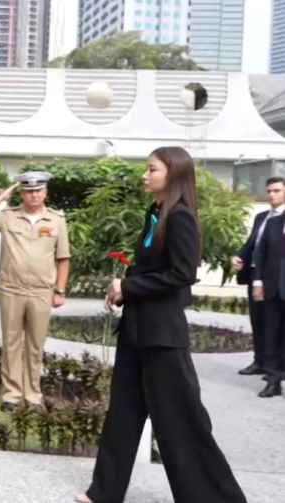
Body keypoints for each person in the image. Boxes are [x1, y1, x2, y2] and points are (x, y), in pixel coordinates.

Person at [75, 147, 246, 503]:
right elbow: (153, 270)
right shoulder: (155, 214)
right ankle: (104, 492)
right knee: (122, 415)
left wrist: (130, 286)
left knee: (182, 422)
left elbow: (182, 275)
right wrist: (123, 288)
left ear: (173, 174)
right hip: (137, 330)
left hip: (163, 337)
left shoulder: (181, 217)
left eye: (151, 169)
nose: (144, 175)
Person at [0, 171, 70, 411]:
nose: (33, 195)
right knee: (12, 344)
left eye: (38, 190)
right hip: (11, 290)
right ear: (21, 193)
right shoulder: (7, 217)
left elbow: (63, 258)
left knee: (35, 346)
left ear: (45, 192)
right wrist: (1, 197)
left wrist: (60, 290)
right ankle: (12, 396)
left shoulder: (56, 220)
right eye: (28, 190)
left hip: (41, 291)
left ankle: (33, 396)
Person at [231, 177, 285, 376]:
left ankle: (276, 367)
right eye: (269, 191)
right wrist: (238, 256)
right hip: (256, 276)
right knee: (258, 320)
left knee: (276, 325)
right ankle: (260, 361)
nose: (272, 194)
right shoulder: (261, 217)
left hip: (277, 279)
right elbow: (251, 245)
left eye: (277, 190)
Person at [251, 209, 285, 398]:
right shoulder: (273, 223)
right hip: (271, 289)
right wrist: (258, 282)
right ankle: (273, 382)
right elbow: (260, 254)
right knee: (271, 337)